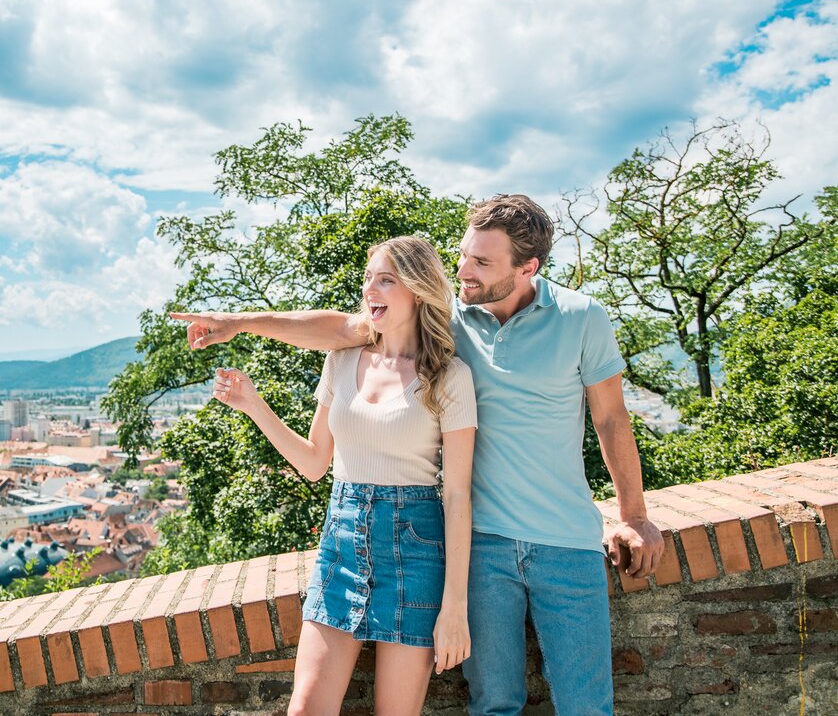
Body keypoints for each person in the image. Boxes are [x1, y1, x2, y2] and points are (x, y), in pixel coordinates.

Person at [173, 195, 664, 716]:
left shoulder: (574, 319)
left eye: (482, 262)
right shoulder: (446, 321)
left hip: (558, 538)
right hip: (478, 545)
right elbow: (338, 330)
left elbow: (611, 418)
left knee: (588, 707)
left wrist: (633, 515)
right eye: (464, 255)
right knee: (493, 704)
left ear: (528, 267)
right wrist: (237, 322)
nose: (465, 271)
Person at [186, 236, 476, 716]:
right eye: (368, 279)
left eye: (386, 279)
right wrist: (253, 404)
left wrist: (455, 609)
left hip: (416, 553)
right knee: (305, 710)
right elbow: (315, 462)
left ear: (419, 291)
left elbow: (459, 495)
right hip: (341, 540)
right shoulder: (342, 360)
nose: (370, 289)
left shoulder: (449, 377)